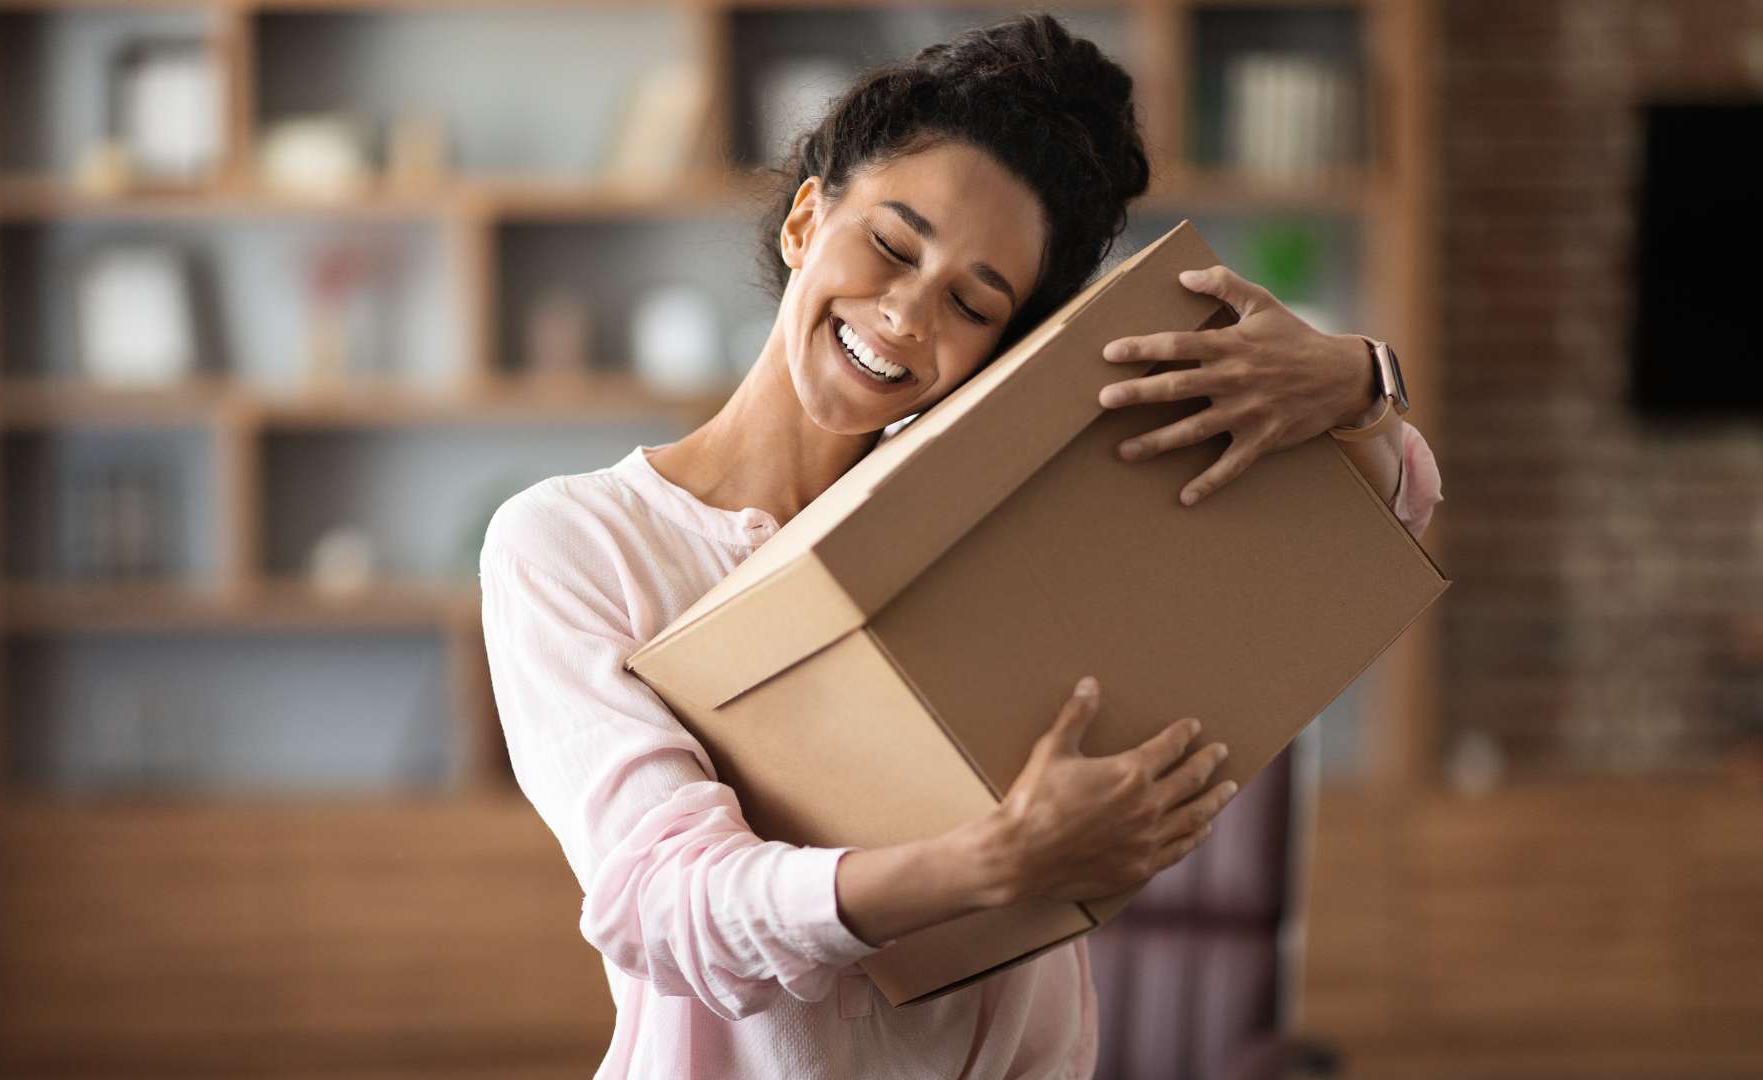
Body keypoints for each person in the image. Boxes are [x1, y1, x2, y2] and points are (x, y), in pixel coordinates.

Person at [479, 13, 1443, 1079]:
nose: (901, 315)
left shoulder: (1008, 514)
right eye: (891, 245)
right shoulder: (575, 543)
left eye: (972, 303)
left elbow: (1338, 546)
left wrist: (1358, 386)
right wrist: (993, 863)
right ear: (806, 218)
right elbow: (666, 909)